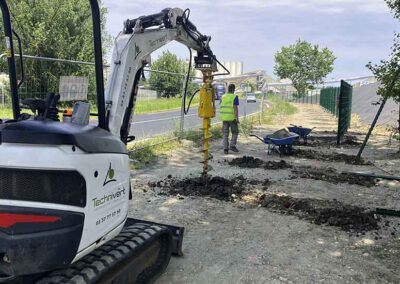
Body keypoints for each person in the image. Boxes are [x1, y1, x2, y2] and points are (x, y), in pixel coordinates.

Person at [220, 84, 239, 154]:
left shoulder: (223, 96)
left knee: (225, 134)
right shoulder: (234, 96)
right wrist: (237, 118)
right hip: (232, 118)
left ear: (228, 89)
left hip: (224, 118)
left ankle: (225, 149)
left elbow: (221, 106)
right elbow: (235, 108)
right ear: (233, 89)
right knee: (235, 132)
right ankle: (232, 146)